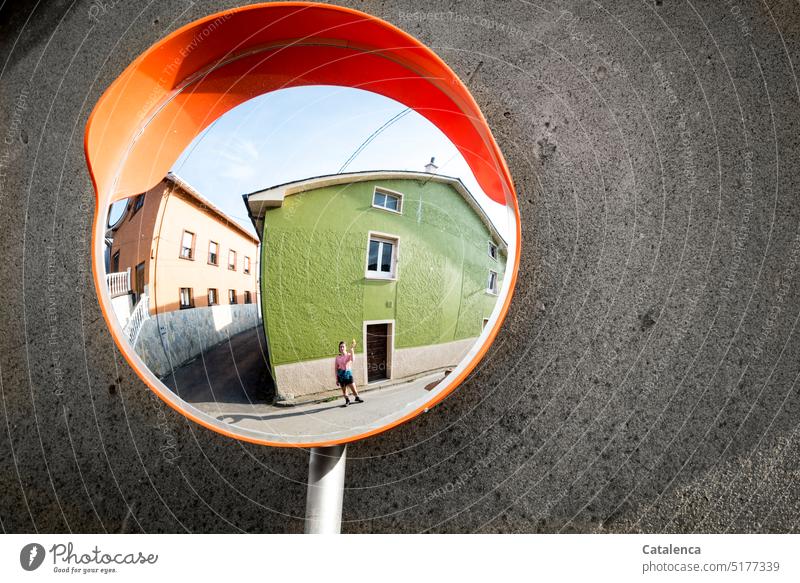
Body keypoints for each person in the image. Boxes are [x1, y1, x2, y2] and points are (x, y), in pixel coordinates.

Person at [335, 339, 363, 406]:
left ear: (345, 347)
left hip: (348, 374)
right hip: (341, 375)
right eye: (340, 347)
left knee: (354, 389)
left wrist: (352, 349)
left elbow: (353, 359)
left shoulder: (348, 355)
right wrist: (337, 379)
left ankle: (357, 397)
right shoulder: (337, 358)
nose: (342, 348)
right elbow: (336, 368)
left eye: (343, 346)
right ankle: (347, 401)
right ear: (339, 348)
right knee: (344, 391)